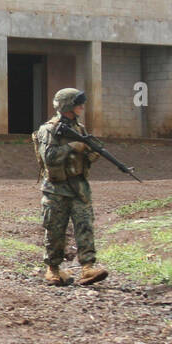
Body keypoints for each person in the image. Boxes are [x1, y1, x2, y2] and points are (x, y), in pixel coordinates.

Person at [33, 88, 108, 286]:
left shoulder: (80, 129)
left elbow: (90, 156)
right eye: (78, 104)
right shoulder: (48, 129)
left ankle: (87, 268)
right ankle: (53, 269)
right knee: (55, 230)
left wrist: (91, 151)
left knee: (85, 226)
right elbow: (49, 157)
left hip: (79, 187)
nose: (82, 107)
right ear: (67, 106)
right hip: (56, 189)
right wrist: (72, 147)